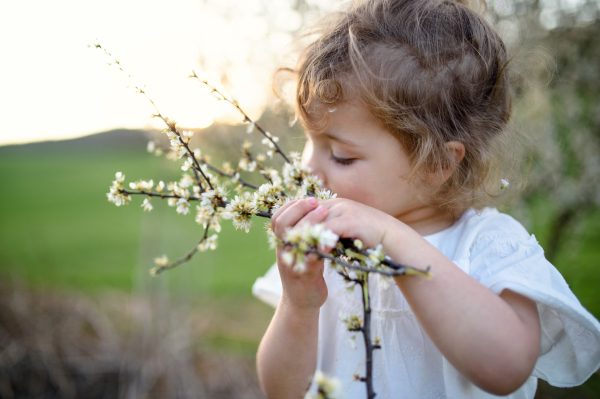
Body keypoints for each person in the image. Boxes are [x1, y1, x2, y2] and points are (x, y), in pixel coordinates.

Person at [252, 0, 600, 398]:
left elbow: (506, 369)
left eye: (341, 156)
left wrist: (392, 237)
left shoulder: (486, 246)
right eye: (309, 143)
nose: (308, 170)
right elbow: (279, 390)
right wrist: (299, 306)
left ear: (434, 163)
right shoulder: (328, 257)